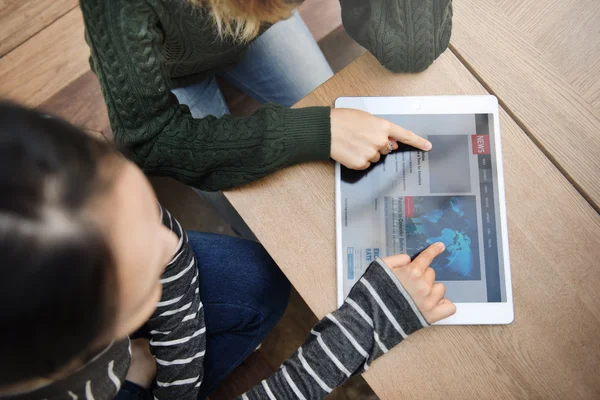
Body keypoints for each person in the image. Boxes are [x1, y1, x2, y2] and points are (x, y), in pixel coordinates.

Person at [0, 102, 456, 399]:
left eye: (143, 208)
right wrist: (366, 323)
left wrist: (169, 383)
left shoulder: (52, 178)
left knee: (256, 281)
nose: (167, 242)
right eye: (139, 270)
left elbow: (174, 257)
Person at [80, 0, 452, 235]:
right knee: (253, 217)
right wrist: (316, 130)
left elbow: (410, 49)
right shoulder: (119, 8)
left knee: (341, 120)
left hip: (259, 24)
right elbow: (150, 138)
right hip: (167, 69)